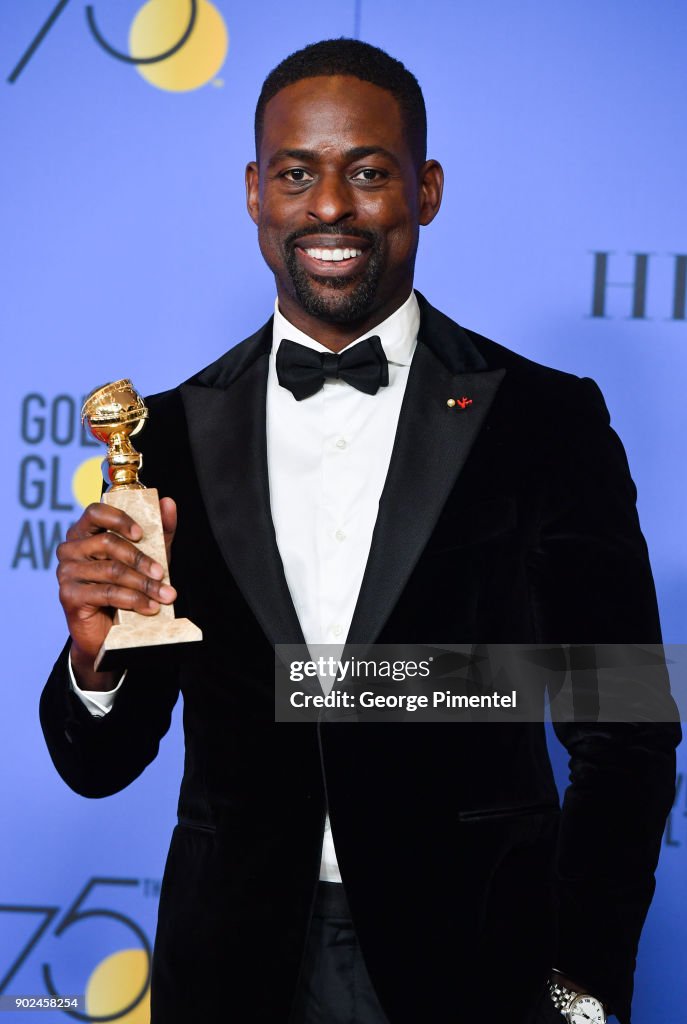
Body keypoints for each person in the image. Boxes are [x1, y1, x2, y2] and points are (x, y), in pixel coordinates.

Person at [40, 39, 679, 1024]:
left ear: (425, 190)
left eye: (369, 172)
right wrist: (97, 664)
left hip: (482, 966)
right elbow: (102, 764)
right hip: (234, 968)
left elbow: (627, 724)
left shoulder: (549, 420)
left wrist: (579, 979)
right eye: (297, 173)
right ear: (255, 191)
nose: (331, 206)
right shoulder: (164, 435)